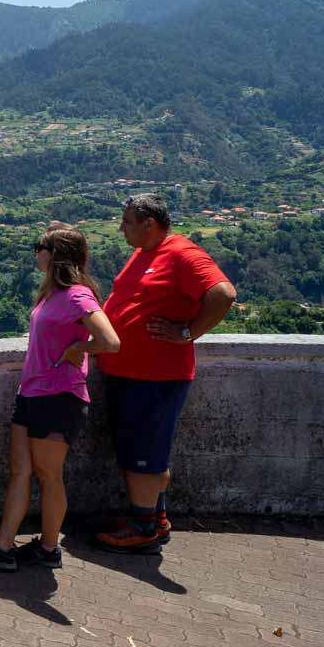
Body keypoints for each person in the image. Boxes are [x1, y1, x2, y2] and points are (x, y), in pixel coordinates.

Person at [0, 227, 120, 572]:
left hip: (59, 397)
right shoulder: (51, 295)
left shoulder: (78, 296)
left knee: (49, 477)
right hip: (31, 393)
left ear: (56, 253)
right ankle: (3, 549)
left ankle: (49, 549)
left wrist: (78, 348)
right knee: (20, 472)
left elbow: (110, 340)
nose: (35, 252)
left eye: (40, 247)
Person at [93, 193, 236, 553]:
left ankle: (142, 530)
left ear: (149, 223)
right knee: (144, 450)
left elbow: (223, 293)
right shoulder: (145, 253)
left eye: (126, 221)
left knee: (145, 453)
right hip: (132, 373)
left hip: (155, 376)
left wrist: (187, 332)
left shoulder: (182, 254)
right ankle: (153, 517)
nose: (120, 227)